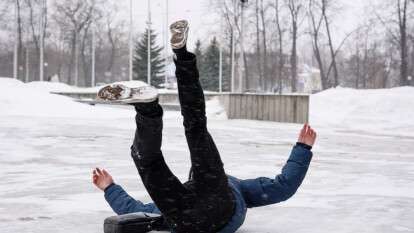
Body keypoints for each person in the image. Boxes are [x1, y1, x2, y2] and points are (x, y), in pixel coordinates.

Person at [93, 20, 317, 233]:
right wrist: (302, 149)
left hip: (186, 217)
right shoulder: (238, 188)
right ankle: (156, 95)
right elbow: (283, 187)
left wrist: (110, 188)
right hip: (209, 214)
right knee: (167, 148)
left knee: (188, 132)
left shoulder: (212, 188)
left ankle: (155, 99)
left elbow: (133, 210)